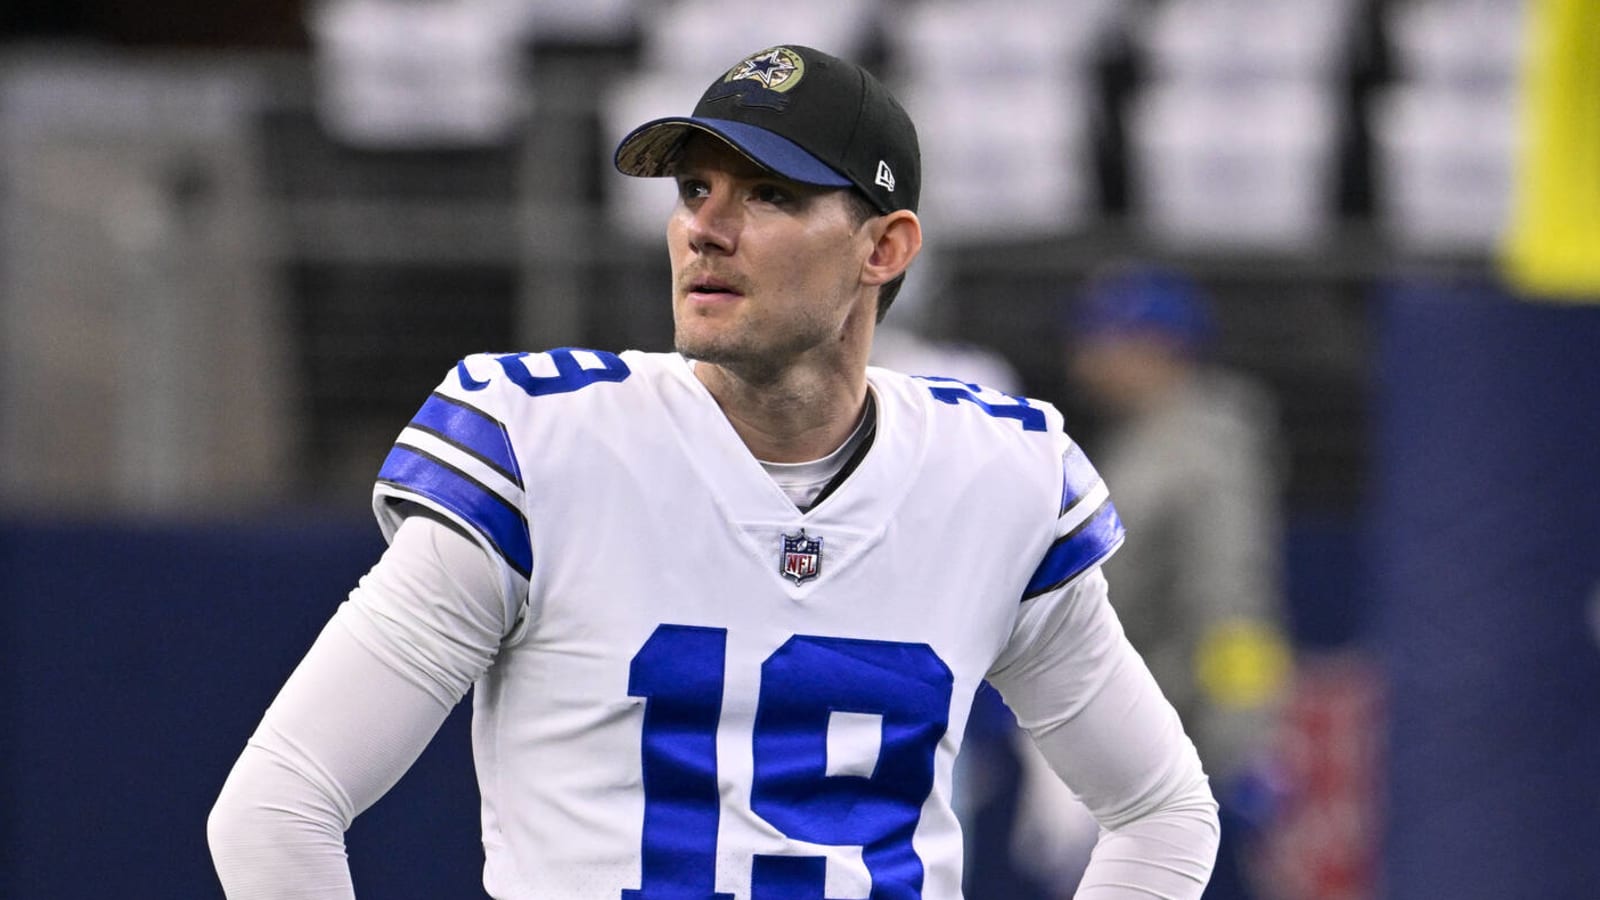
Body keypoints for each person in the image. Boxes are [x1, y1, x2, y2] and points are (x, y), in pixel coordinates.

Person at [208, 44, 1219, 898]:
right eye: (695, 190)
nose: (706, 227)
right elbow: (279, 802)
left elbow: (1161, 813)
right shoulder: (546, 446)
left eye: (769, 195)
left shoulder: (992, 472)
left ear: (884, 247)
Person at [1066, 264, 1293, 899]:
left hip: (1187, 746)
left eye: (1101, 341)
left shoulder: (1206, 449)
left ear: (1156, 347)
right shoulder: (1147, 439)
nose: (1085, 359)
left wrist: (1243, 737)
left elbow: (1236, 604)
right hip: (1134, 733)